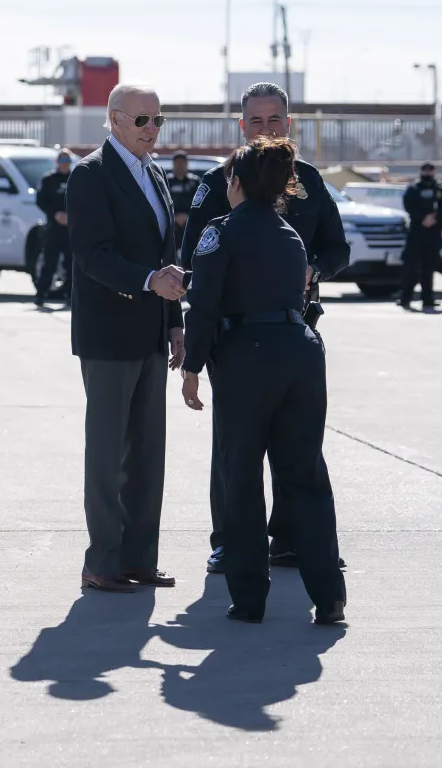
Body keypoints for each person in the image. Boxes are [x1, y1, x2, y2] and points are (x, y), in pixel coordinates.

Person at [180, 82, 350, 574]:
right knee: (235, 448)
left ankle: (294, 537)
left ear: (289, 124)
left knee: (299, 443)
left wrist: (312, 270)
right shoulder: (217, 183)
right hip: (234, 337)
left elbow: (338, 250)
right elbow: (194, 259)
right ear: (241, 126)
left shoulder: (311, 182)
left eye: (274, 121)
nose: (265, 130)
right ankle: (230, 541)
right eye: (255, 122)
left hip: (296, 330)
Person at [67, 83, 185, 593]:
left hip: (153, 332)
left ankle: (139, 558)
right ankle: (103, 560)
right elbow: (92, 254)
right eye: (142, 121)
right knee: (109, 451)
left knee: (147, 453)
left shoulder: (154, 173)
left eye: (158, 120)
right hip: (110, 332)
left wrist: (175, 320)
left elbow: (168, 255)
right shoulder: (90, 174)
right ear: (114, 120)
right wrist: (146, 281)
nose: (152, 130)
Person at [398, 162, 442, 313]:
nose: (427, 173)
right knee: (411, 267)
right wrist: (422, 218)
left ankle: (428, 299)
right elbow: (408, 206)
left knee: (429, 267)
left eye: (430, 170)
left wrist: (435, 218)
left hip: (433, 233)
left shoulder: (440, 189)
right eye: (425, 170)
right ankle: (405, 298)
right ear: (421, 171)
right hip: (416, 232)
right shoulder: (414, 188)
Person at [34, 149, 74, 308]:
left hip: (71, 229)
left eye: (67, 162)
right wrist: (55, 214)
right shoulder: (49, 179)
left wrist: (71, 216)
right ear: (57, 163)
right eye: (62, 162)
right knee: (49, 262)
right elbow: (40, 200)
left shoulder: (76, 177)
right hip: (53, 228)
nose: (64, 165)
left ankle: (70, 295)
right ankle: (41, 294)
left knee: (71, 264)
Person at [164, 150, 201, 249]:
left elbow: (200, 204)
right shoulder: (167, 181)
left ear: (187, 163)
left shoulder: (194, 182)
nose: (180, 165)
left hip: (190, 223)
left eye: (182, 162)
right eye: (177, 163)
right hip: (171, 224)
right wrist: (174, 216)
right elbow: (163, 202)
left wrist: (188, 216)